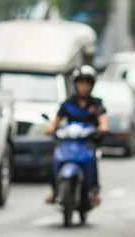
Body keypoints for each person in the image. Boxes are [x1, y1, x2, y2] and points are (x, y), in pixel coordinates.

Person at [43, 65, 109, 206]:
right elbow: (56, 120)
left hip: (87, 141)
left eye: (87, 83)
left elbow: (102, 120)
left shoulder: (96, 104)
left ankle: (94, 191)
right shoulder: (68, 103)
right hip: (68, 140)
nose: (84, 87)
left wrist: (102, 127)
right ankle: (55, 190)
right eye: (81, 83)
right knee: (55, 158)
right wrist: (51, 127)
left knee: (92, 159)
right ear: (75, 84)